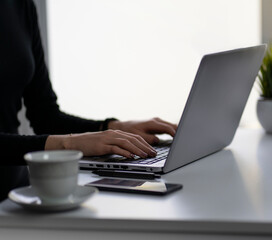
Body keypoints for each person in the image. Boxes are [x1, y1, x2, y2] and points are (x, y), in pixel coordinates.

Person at [0, 0, 177, 200]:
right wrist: (68, 144)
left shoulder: (19, 5)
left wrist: (111, 128)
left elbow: (45, 115)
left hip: (17, 196)